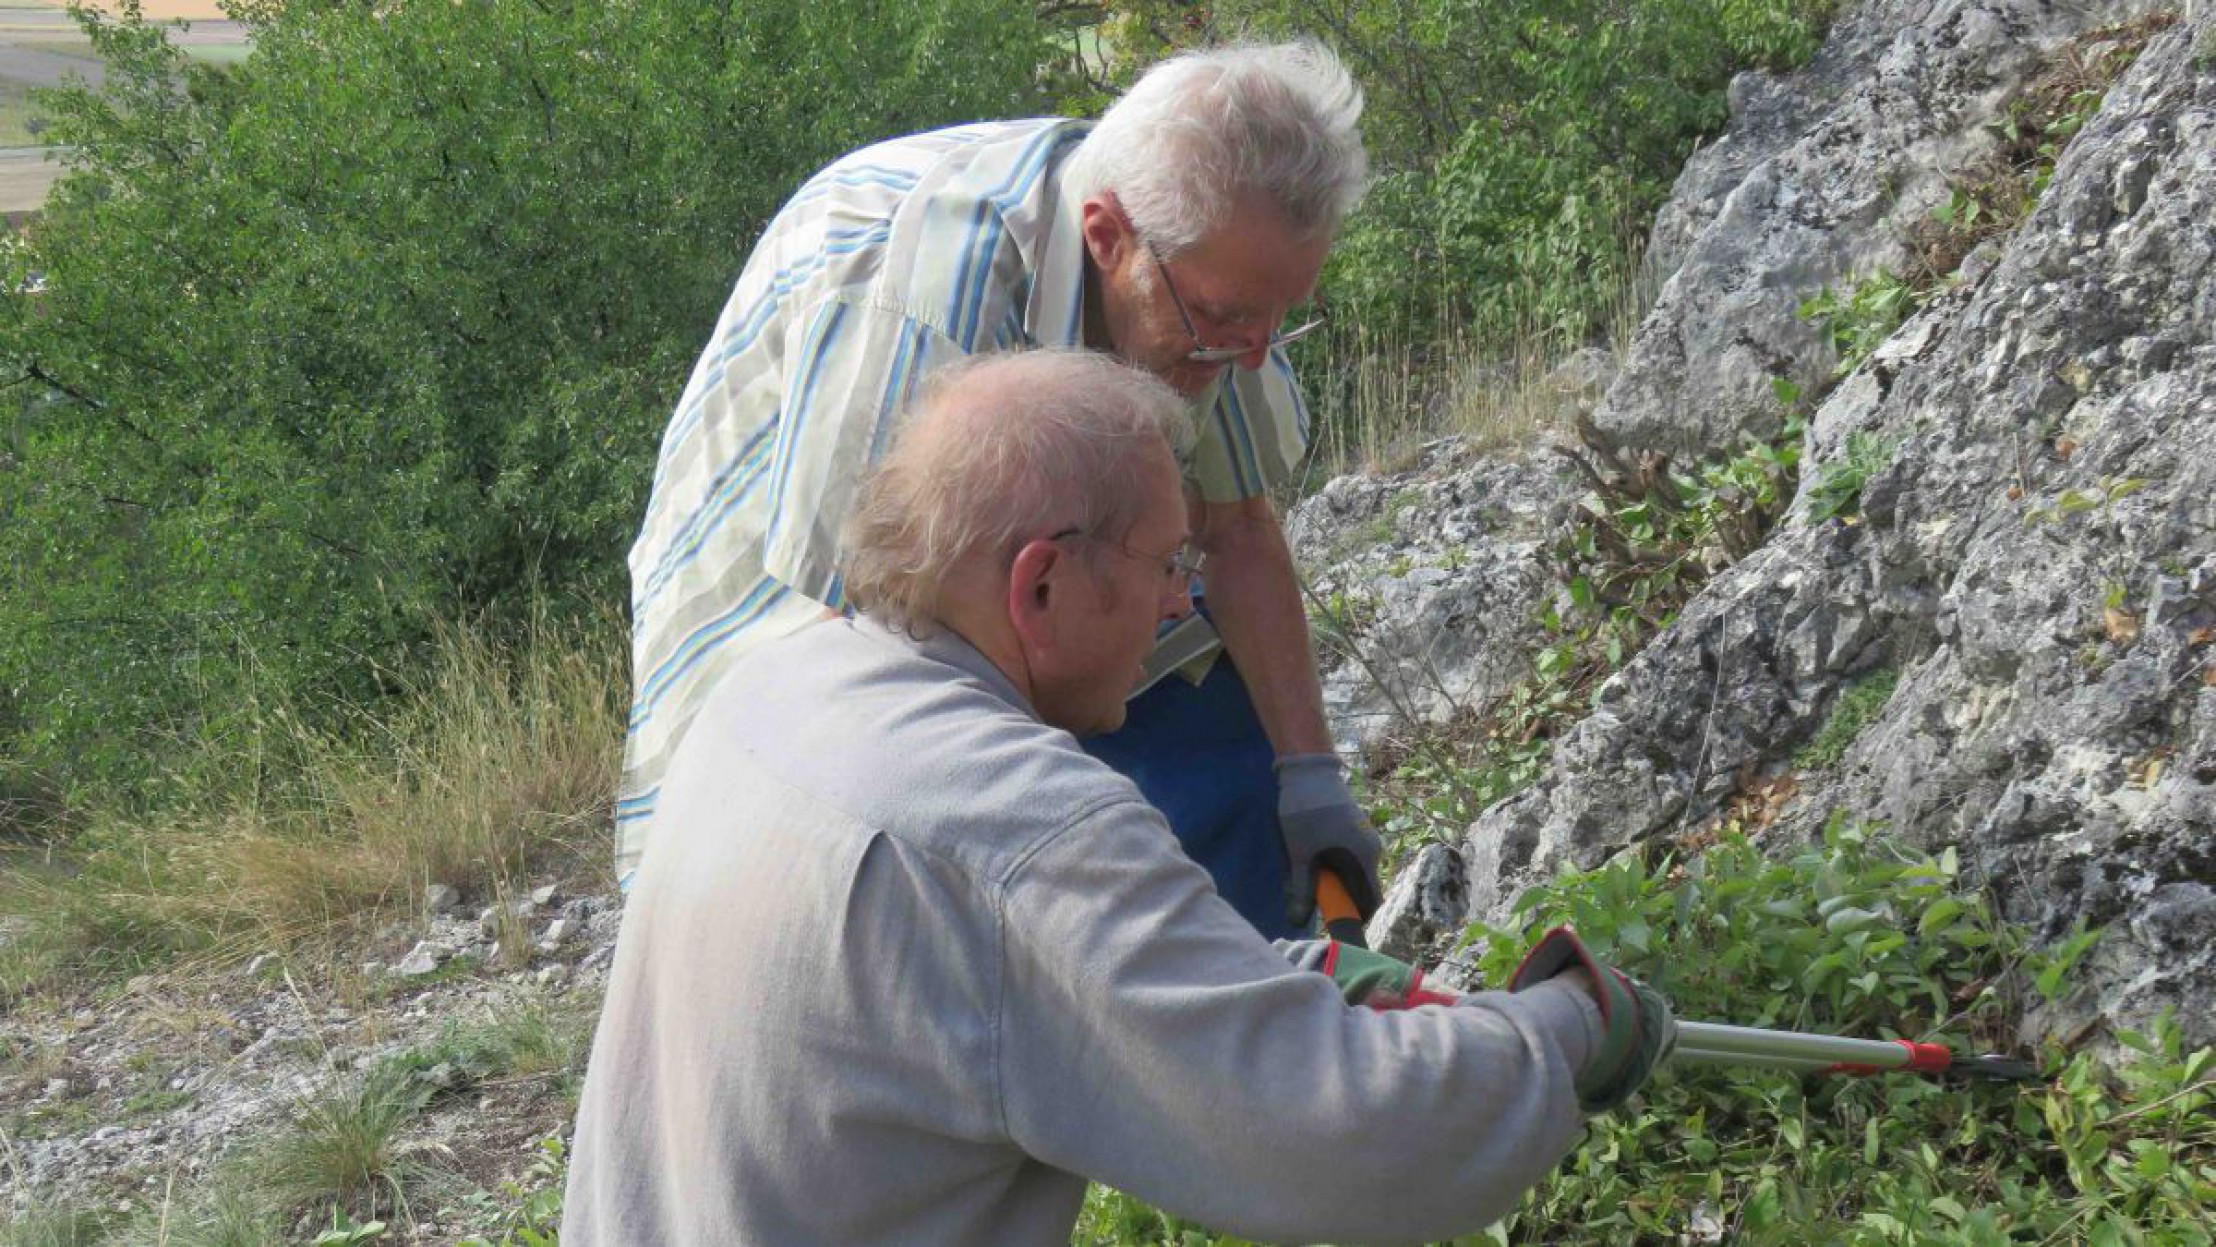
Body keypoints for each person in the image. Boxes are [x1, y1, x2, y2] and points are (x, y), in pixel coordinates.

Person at [561, 351, 1673, 1246]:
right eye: (1164, 562)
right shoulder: (1020, 825)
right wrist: (1565, 1026)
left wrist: (1272, 977)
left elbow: (978, 991)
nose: (1183, 597)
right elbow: (1344, 1134)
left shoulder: (772, 686)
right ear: (1039, 583)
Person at [619, 40, 1381, 939]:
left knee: (1218, 788)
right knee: (936, 912)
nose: (1253, 352)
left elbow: (1239, 529)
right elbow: (868, 641)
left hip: (1018, 566)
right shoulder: (933, 297)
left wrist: (1308, 775)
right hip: (807, 597)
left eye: (1277, 317)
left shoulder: (1211, 263)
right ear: (1108, 239)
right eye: (1226, 319)